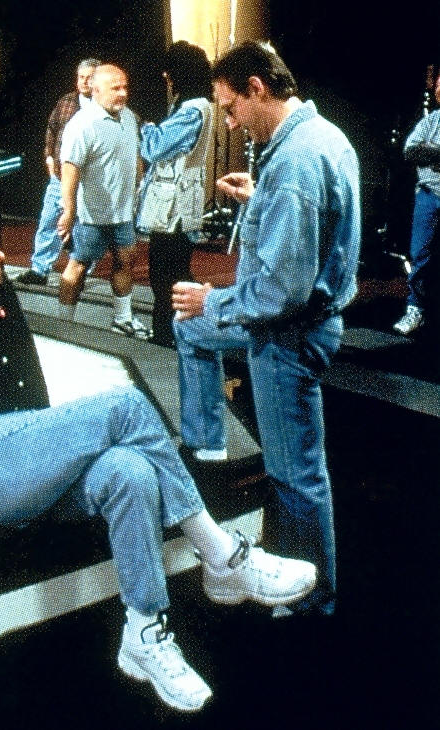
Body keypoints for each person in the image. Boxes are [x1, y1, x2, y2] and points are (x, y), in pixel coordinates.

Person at [0, 208, 316, 712]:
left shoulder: (1, 292)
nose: (0, 253)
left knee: (130, 472)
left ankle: (144, 632)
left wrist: (60, 453)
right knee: (126, 406)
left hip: (28, 457)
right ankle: (223, 555)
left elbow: (33, 390)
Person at [172, 41, 361, 617]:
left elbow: (280, 293)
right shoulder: (322, 138)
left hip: (288, 336)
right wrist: (260, 200)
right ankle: (207, 449)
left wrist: (213, 299)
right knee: (191, 329)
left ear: (257, 88)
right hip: (298, 324)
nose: (230, 122)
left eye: (231, 107)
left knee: (296, 476)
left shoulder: (295, 164)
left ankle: (311, 602)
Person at [57, 64, 151, 339]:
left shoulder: (129, 117)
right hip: (91, 216)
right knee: (77, 267)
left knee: (125, 261)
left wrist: (139, 184)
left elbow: (134, 155)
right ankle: (63, 325)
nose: (123, 93)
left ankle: (122, 319)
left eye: (125, 87)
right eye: (115, 88)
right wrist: (69, 211)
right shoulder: (81, 124)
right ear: (96, 90)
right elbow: (70, 169)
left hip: (123, 213)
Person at [136, 41, 214, 347]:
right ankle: (177, 332)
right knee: (173, 272)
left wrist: (145, 126)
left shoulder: (192, 110)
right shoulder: (196, 106)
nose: (166, 77)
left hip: (175, 207)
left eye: (169, 71)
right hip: (180, 203)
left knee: (165, 275)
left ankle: (168, 335)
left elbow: (154, 148)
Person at [15, 58, 101, 287]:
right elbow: (51, 130)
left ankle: (81, 270)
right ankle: (39, 270)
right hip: (60, 177)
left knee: (84, 226)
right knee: (49, 221)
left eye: (90, 78)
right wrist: (49, 157)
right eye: (81, 77)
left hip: (89, 180)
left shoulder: (105, 106)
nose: (84, 82)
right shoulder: (66, 102)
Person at [392, 73, 440, 335]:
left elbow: (421, 151)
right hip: (428, 195)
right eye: (439, 84)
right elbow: (410, 150)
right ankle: (415, 309)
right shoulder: (430, 121)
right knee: (420, 255)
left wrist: (429, 150)